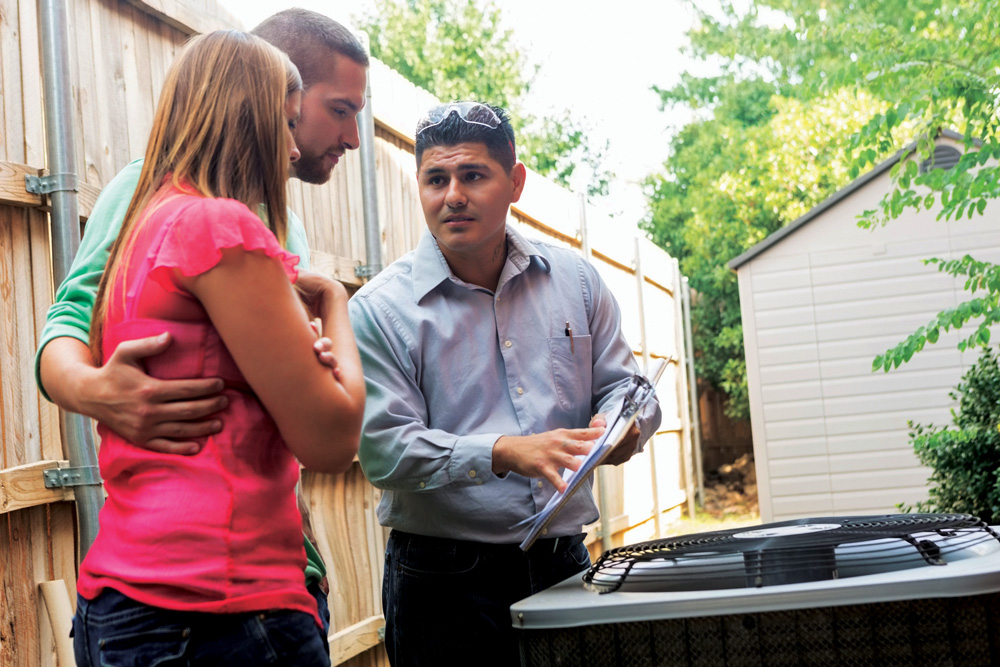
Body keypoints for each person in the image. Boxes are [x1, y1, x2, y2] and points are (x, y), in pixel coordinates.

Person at [34, 7, 369, 641]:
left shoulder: (265, 217)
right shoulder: (166, 202)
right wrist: (91, 389)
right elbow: (72, 315)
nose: (350, 138)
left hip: (223, 559)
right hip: (216, 591)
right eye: (338, 110)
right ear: (266, 96)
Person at [349, 101, 663, 666]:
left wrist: (624, 427)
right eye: (435, 179)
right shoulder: (380, 310)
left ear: (515, 182)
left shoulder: (578, 282)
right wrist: (501, 452)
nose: (453, 196)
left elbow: (631, 389)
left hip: (564, 562)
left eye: (473, 175)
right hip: (439, 582)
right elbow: (385, 452)